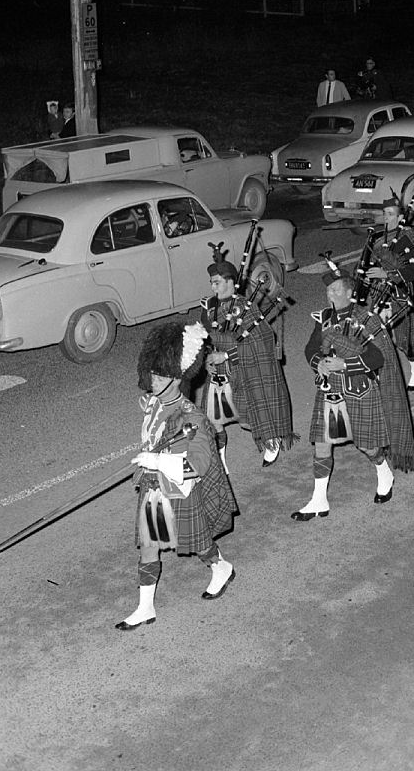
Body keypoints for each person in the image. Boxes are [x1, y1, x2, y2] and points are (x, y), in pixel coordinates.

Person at [116, 320, 239, 631]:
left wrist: (157, 462)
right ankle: (145, 607)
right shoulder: (156, 404)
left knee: (198, 543)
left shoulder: (192, 416)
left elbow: (197, 463)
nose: (152, 379)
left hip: (179, 490)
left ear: (176, 377)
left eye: (159, 375)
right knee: (148, 544)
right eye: (152, 372)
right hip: (153, 489)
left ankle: (221, 566)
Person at [293, 260, 414, 520]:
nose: (331, 294)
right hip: (330, 391)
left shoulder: (367, 318)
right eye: (329, 290)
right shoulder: (325, 319)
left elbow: (378, 358)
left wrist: (344, 364)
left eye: (336, 290)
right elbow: (311, 348)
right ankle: (319, 500)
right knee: (321, 444)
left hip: (358, 390)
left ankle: (384, 471)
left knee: (367, 446)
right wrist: (320, 364)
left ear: (350, 293)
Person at [200, 247, 296, 467]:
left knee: (251, 415)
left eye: (218, 283)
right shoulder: (210, 308)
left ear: (232, 284)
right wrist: (207, 359)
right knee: (214, 419)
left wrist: (225, 355)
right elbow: (206, 341)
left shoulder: (246, 307)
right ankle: (219, 460)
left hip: (244, 371)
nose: (213, 287)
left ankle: (271, 439)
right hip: (219, 375)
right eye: (212, 283)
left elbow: (263, 342)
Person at [362, 193, 414, 390]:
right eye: (385, 213)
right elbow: (373, 264)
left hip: (402, 294)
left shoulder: (407, 237)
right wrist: (369, 276)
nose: (387, 218)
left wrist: (387, 274)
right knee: (374, 332)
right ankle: (380, 372)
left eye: (391, 214)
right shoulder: (380, 238)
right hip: (381, 293)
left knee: (404, 337)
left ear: (400, 218)